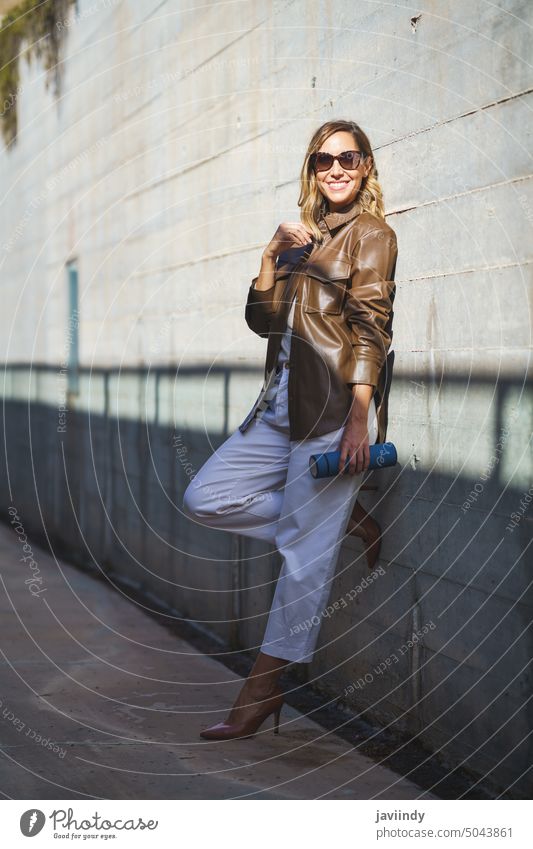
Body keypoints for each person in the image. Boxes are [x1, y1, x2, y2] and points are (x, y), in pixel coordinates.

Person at [183, 119, 398, 740]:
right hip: (277, 406)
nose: (335, 168)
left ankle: (259, 693)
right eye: (323, 160)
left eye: (348, 158)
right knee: (206, 497)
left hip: (332, 411)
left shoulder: (372, 235)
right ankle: (346, 520)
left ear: (365, 168)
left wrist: (360, 417)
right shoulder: (301, 241)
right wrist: (269, 256)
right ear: (310, 169)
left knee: (303, 560)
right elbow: (262, 321)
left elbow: (371, 327)